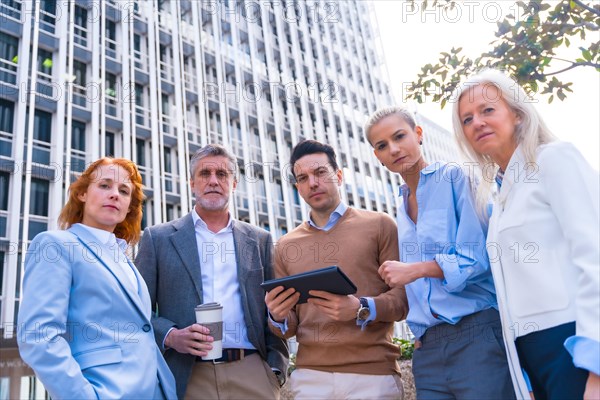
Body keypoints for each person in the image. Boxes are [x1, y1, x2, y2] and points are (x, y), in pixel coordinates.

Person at [453, 69, 599, 399]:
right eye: (467, 119)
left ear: (517, 114)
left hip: (574, 343)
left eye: (488, 110)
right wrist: (526, 380)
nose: (477, 122)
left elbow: (595, 256)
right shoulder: (498, 198)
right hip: (532, 357)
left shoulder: (556, 159)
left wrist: (597, 367)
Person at [364, 106, 516, 399]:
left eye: (399, 136)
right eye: (382, 146)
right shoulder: (400, 206)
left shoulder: (456, 177)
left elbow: (478, 257)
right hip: (428, 350)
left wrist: (416, 269)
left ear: (418, 135)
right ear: (377, 157)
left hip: (477, 333)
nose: (394, 149)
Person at [135, 144, 288, 399]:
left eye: (223, 174)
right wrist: (171, 336)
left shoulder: (260, 240)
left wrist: (275, 370)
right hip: (185, 375)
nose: (214, 181)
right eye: (205, 174)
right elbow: (137, 309)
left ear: (234, 184)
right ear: (192, 183)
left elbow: (274, 309)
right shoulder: (158, 238)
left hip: (252, 372)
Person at [17, 158, 177, 399]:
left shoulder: (124, 259)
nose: (115, 194)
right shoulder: (55, 246)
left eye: (124, 191)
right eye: (104, 185)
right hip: (106, 391)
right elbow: (40, 337)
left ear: (128, 207)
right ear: (82, 193)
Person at [265, 139, 408, 400]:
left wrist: (362, 307)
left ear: (338, 176)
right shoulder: (285, 246)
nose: (313, 183)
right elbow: (289, 327)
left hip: (373, 376)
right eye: (303, 178)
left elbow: (403, 299)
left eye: (320, 173)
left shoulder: (380, 225)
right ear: (298, 188)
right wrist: (277, 316)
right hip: (310, 379)